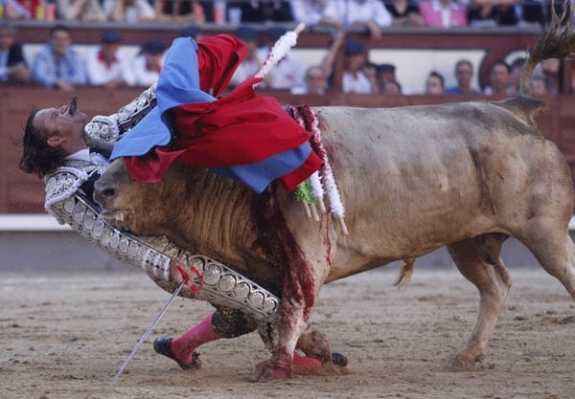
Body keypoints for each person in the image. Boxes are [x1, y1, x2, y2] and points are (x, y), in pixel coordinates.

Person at [19, 32, 343, 372]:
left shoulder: (99, 130)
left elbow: (146, 108)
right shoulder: (64, 192)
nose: (61, 108)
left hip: (193, 222)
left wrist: (183, 77)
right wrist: (164, 264)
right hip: (172, 253)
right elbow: (112, 236)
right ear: (55, 139)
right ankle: (299, 350)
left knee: (242, 304)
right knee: (263, 297)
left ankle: (181, 347)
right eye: (53, 116)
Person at [31, 24, 87, 91]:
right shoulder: (42, 54)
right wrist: (56, 82)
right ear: (51, 40)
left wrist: (63, 82)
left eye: (64, 40)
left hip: (68, 92)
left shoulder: (73, 55)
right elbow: (38, 76)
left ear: (69, 41)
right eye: (57, 39)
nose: (61, 43)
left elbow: (81, 77)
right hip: (47, 94)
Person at [324, 0, 392, 39]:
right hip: (347, 39)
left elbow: (387, 20)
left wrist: (373, 23)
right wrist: (368, 24)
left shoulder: (375, 3)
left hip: (369, 40)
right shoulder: (345, 2)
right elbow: (348, 20)